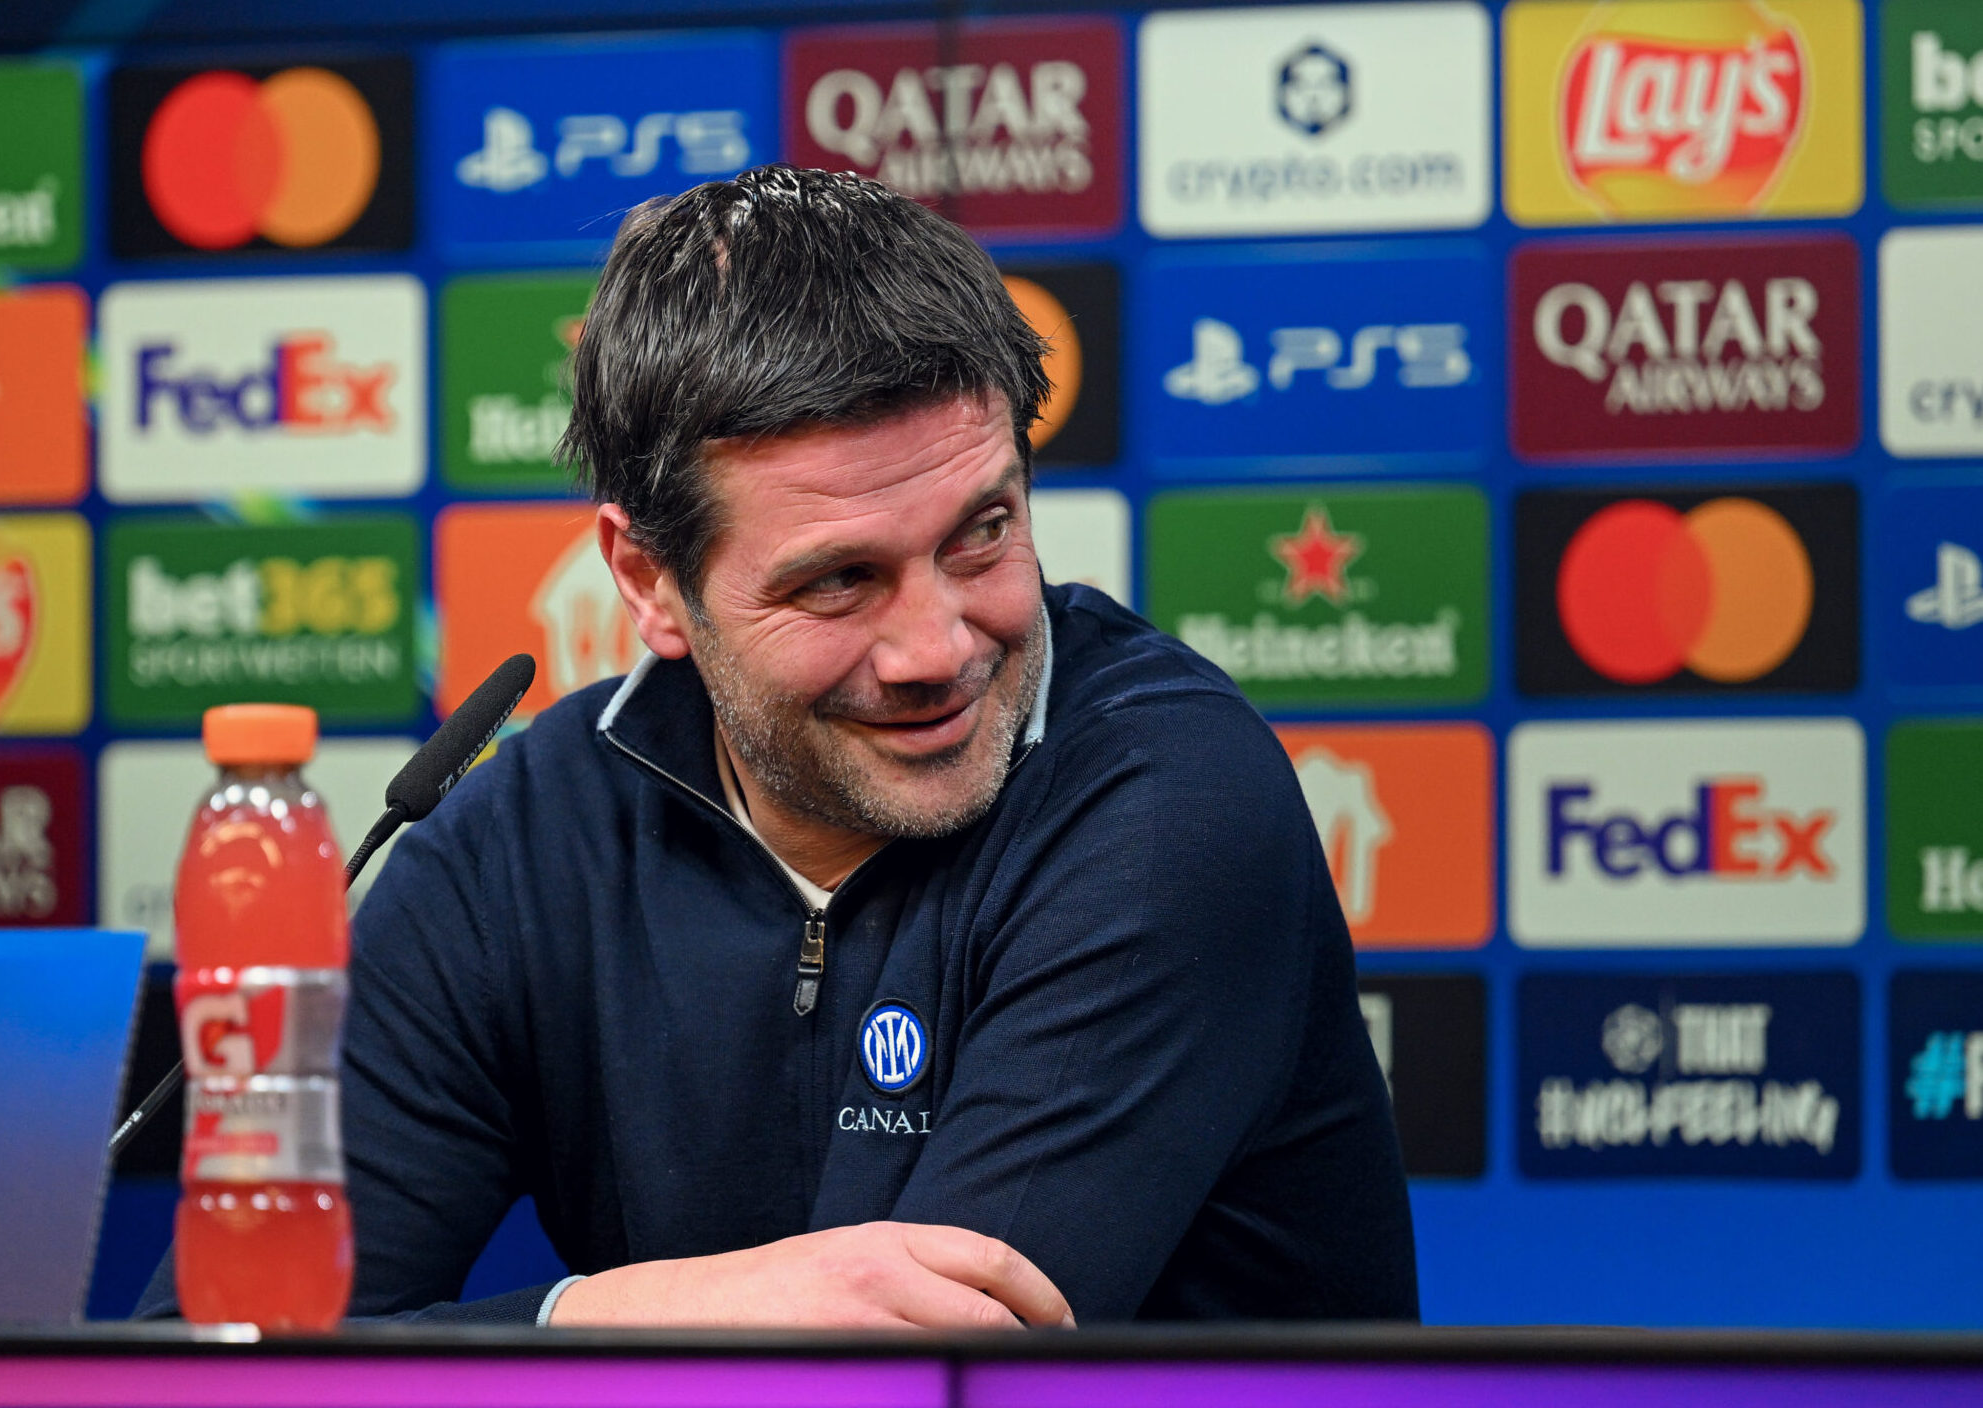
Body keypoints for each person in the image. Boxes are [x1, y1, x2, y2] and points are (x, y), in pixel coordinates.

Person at [138, 164, 1416, 1328]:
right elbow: (203, 1365)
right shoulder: (520, 846)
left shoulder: (1164, 797)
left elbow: (931, 1378)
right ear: (647, 580)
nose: (935, 647)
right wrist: (612, 1315)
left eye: (979, 534)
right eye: (838, 581)